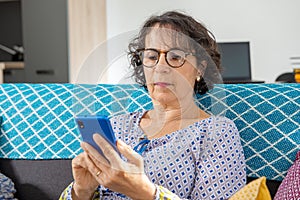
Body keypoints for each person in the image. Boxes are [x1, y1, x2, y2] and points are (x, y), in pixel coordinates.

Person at [60, 10, 246, 200]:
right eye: (151, 56)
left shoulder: (216, 132)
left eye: (175, 57)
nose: (160, 67)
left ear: (200, 67)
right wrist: (81, 191)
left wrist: (146, 193)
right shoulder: (116, 125)